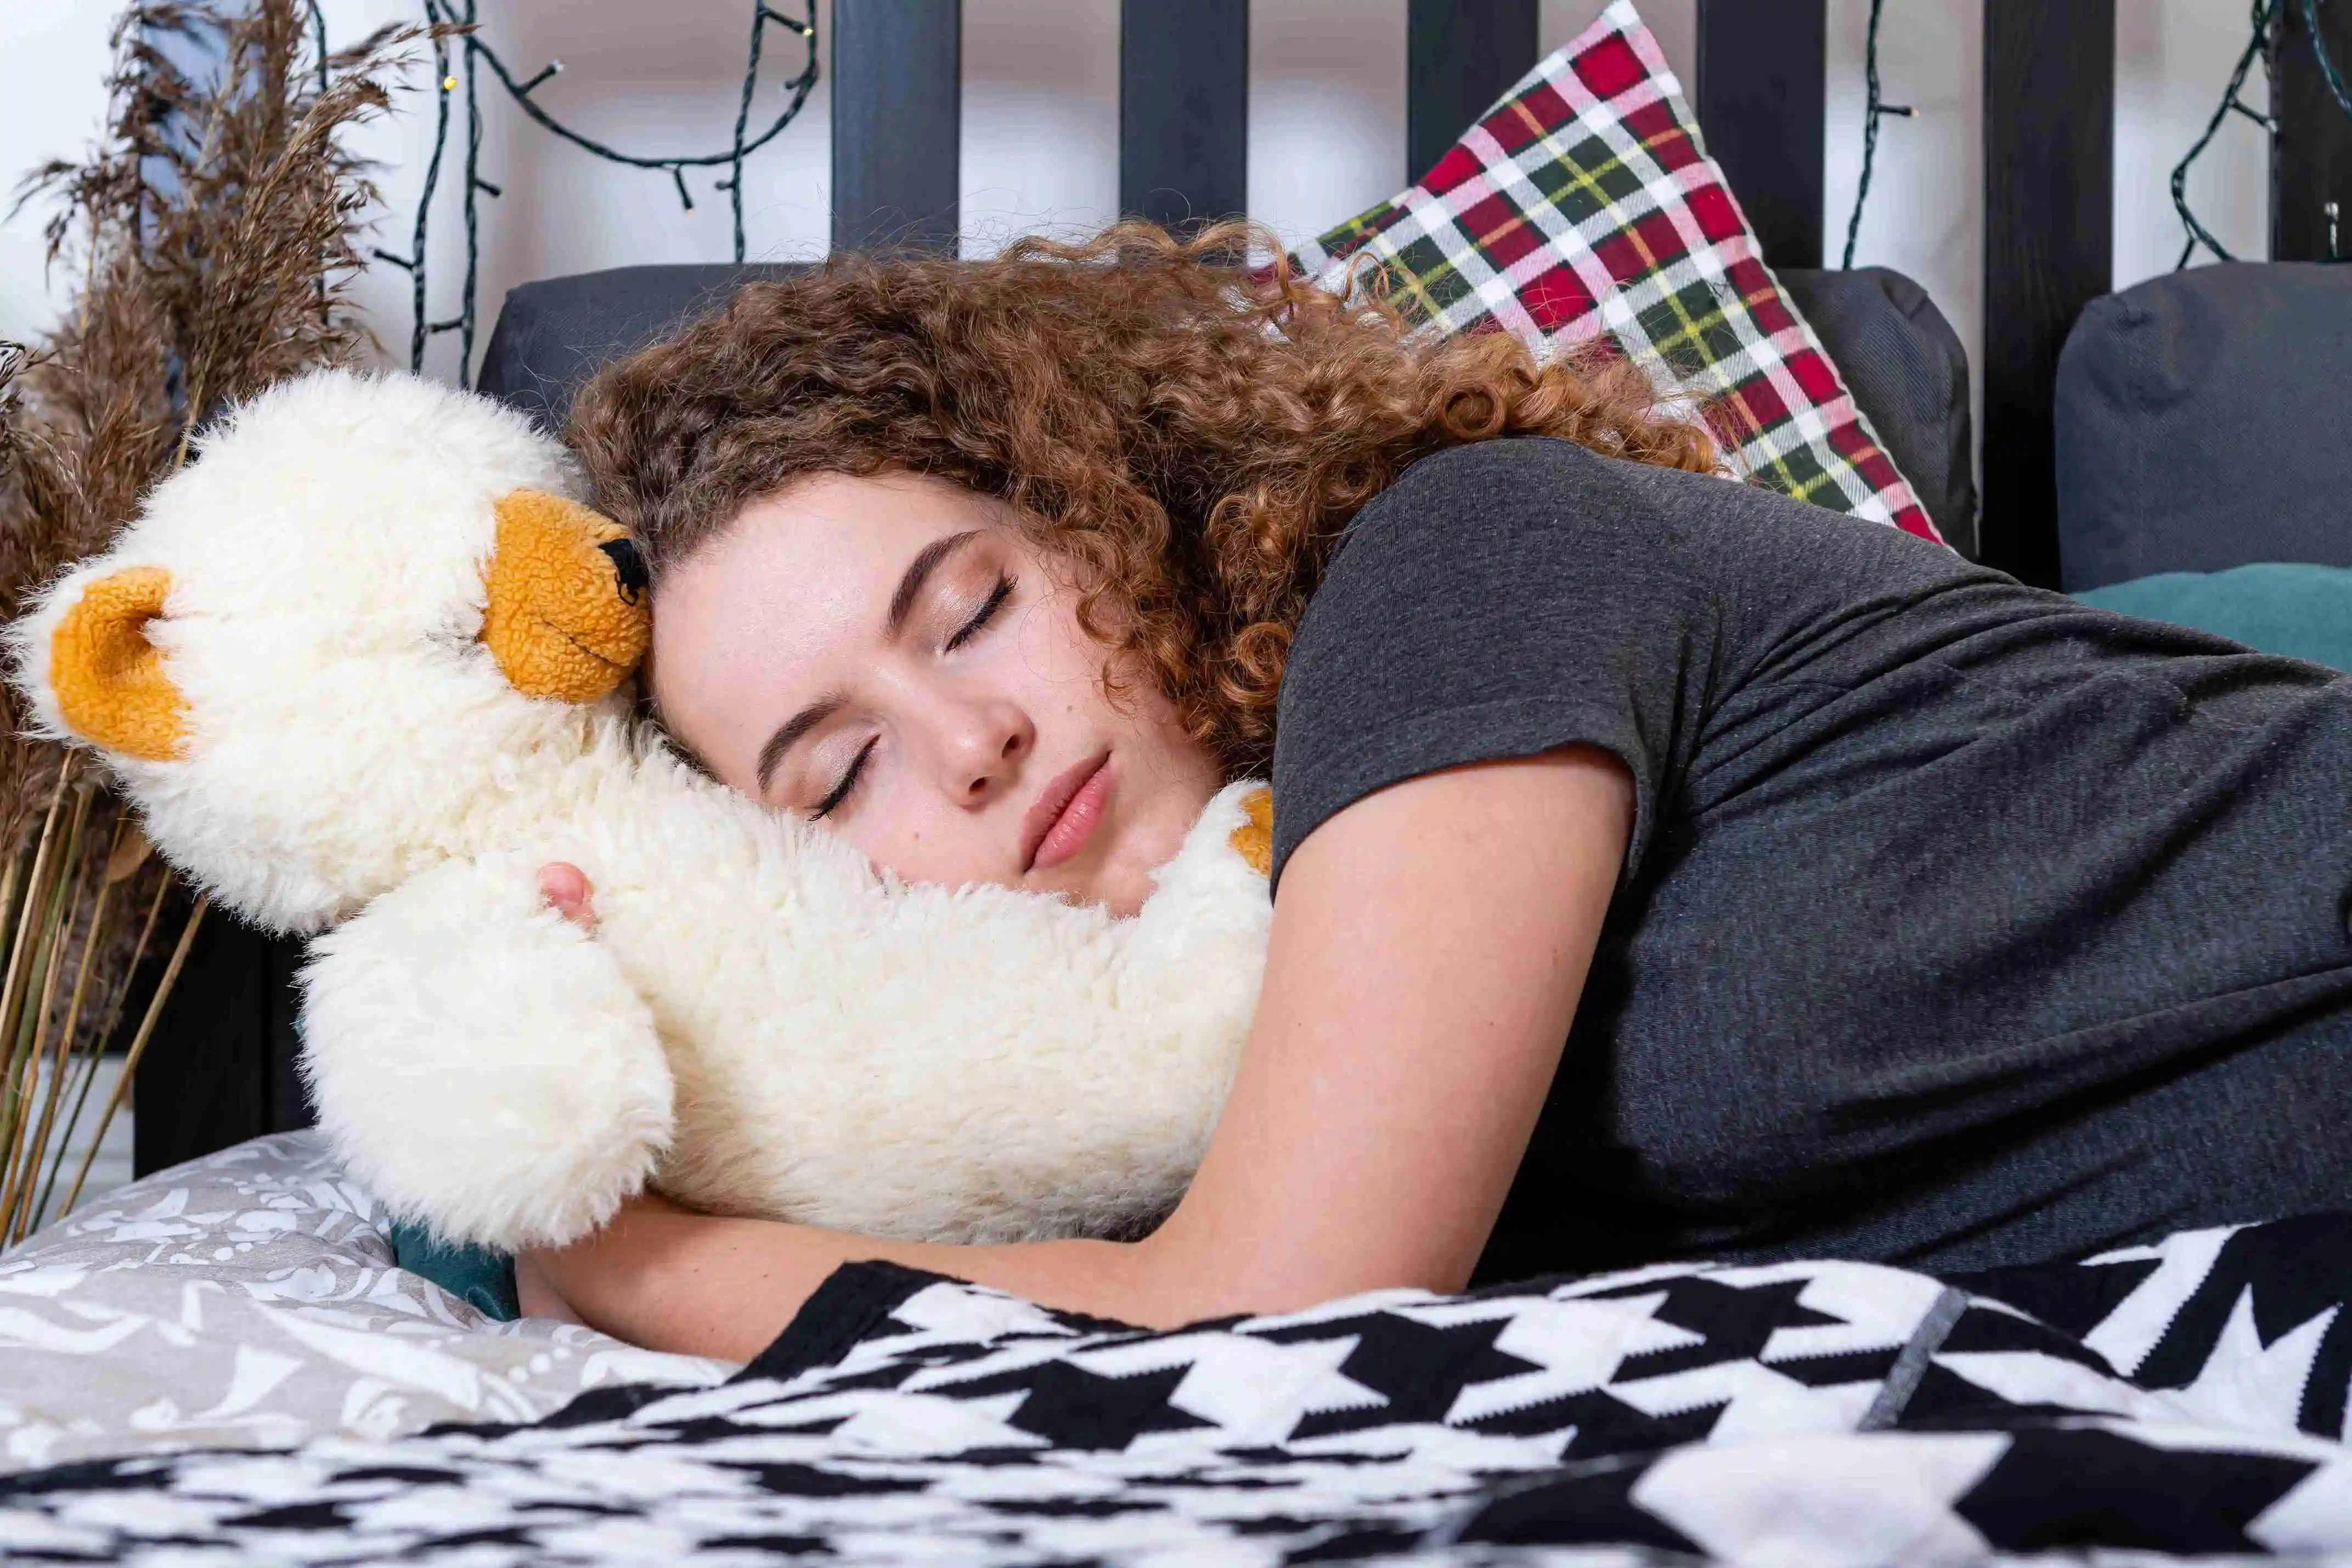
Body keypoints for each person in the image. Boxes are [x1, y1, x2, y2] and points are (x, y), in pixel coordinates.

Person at [518, 224, 2352, 1361]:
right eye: (839, 777)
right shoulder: (1147, 1057)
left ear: (1105, 503)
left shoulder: (1451, 571)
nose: (969, 742)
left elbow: (1259, 1319)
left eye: (975, 610)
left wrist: (627, 1255)